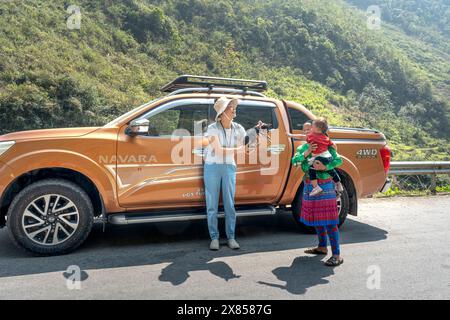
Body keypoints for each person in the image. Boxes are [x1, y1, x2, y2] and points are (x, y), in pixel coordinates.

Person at [200, 97, 265, 251]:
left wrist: (256, 133)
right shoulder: (212, 129)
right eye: (230, 106)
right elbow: (218, 150)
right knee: (212, 205)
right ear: (222, 112)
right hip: (212, 166)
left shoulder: (239, 128)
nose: (234, 108)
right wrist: (240, 150)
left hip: (229, 167)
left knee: (229, 204)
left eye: (234, 106)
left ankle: (231, 237)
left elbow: (246, 147)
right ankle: (214, 237)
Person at [292, 121, 344, 266]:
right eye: (305, 130)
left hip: (326, 186)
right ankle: (322, 247)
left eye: (310, 129)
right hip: (310, 186)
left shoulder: (327, 146)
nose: (308, 132)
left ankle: (337, 255)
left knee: (330, 221)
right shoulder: (302, 147)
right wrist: (307, 153)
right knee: (317, 218)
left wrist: (325, 166)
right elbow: (295, 162)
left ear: (318, 132)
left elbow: (338, 160)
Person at [305, 118, 343, 196]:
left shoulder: (312, 136)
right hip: (327, 156)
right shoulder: (326, 138)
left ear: (317, 129)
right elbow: (333, 146)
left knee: (311, 169)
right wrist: (334, 151)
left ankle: (316, 187)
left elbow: (302, 137)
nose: (311, 128)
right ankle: (338, 183)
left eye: (312, 126)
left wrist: (291, 135)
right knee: (330, 170)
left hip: (320, 158)